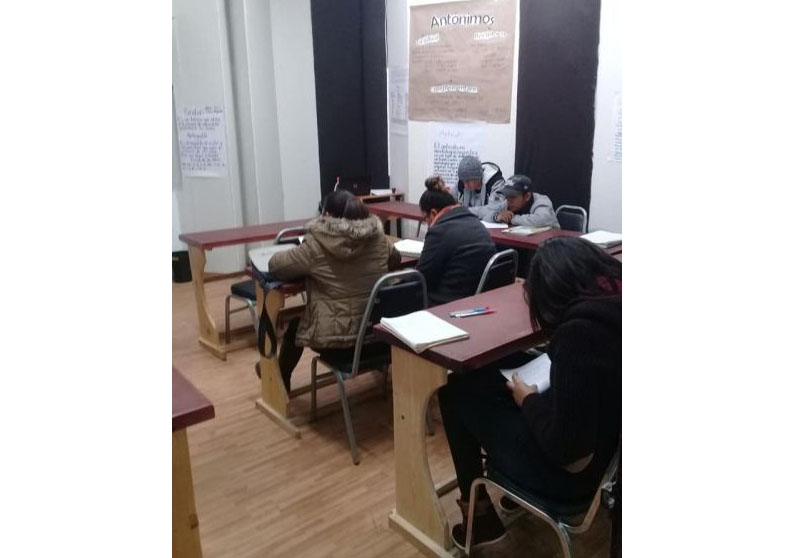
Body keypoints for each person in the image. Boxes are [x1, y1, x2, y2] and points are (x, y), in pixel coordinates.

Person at [437, 237, 621, 550]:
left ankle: (479, 519)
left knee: (454, 391)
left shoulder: (579, 335)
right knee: (486, 380)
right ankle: (508, 501)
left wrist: (528, 400)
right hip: (607, 460)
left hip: (570, 480)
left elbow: (566, 448)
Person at [265, 190, 401, 392]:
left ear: (327, 215)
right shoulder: (378, 238)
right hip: (376, 336)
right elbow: (395, 260)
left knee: (294, 326)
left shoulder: (316, 245)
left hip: (336, 341)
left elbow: (276, 266)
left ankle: (279, 382)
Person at [416, 179, 497, 307]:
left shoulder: (439, 231)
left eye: (425, 219)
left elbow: (421, 278)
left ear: (433, 213)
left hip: (449, 303)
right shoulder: (476, 223)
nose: (427, 224)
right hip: (479, 299)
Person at [480, 174, 560, 229]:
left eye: (513, 196)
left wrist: (511, 219)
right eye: (507, 196)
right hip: (522, 243)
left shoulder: (541, 200)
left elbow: (542, 219)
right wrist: (497, 217)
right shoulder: (507, 203)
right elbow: (485, 215)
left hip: (550, 245)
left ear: (527, 196)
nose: (508, 200)